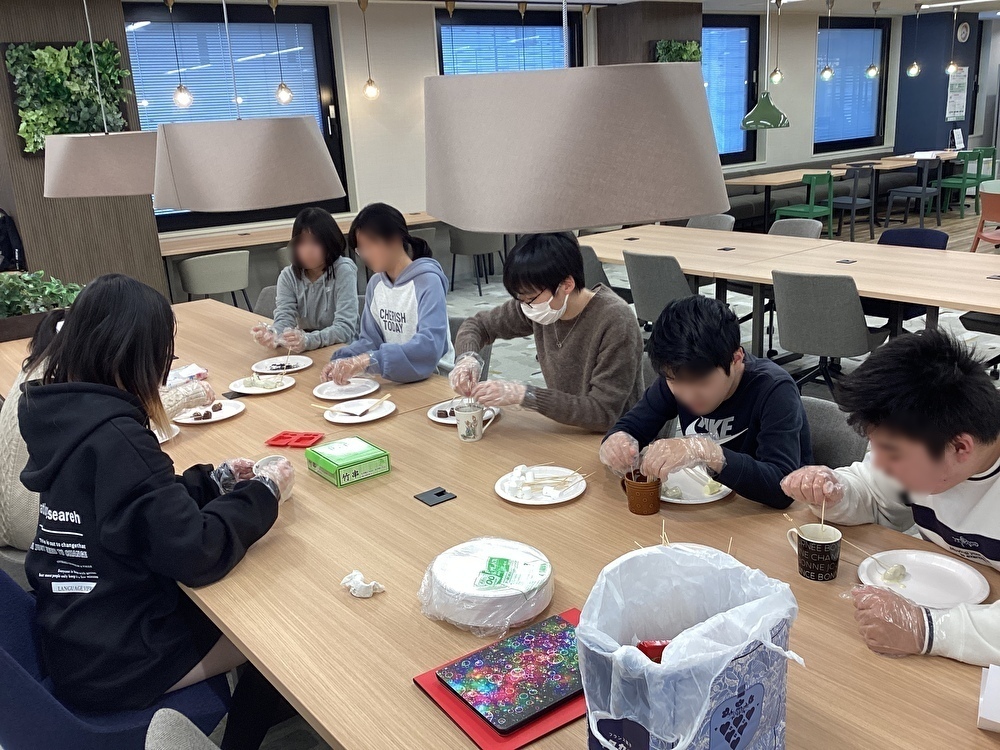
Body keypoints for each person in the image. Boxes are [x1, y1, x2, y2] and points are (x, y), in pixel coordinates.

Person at [18, 274, 295, 749]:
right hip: (119, 662)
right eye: (164, 358)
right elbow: (198, 552)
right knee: (278, 634)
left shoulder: (67, 417)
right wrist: (264, 493)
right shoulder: (118, 438)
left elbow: (134, 509)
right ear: (135, 356)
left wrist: (212, 482)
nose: (164, 376)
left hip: (75, 635)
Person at [781, 331, 1000, 667]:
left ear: (960, 447)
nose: (881, 463)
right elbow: (871, 493)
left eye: (892, 452)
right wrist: (834, 491)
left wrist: (929, 630)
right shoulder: (922, 444)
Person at [0, 311, 216, 554]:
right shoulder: (70, 378)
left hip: (14, 515)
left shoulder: (39, 372)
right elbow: (117, 420)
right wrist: (190, 393)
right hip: (43, 527)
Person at [600, 296, 811, 509]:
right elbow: (631, 427)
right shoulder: (677, 373)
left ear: (736, 358)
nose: (688, 395)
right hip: (706, 508)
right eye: (675, 382)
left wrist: (708, 452)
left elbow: (781, 488)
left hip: (758, 512)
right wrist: (617, 443)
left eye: (702, 382)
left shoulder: (774, 389)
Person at [450, 233, 644, 432]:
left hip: (616, 436)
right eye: (520, 299)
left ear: (567, 285)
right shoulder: (539, 306)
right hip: (566, 428)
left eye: (530, 298)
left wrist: (525, 395)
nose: (525, 306)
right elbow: (477, 325)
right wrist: (467, 358)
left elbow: (602, 413)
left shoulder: (615, 320)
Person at [321, 203, 453, 384]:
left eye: (370, 245)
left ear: (395, 239)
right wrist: (343, 358)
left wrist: (368, 360)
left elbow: (429, 346)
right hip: (395, 377)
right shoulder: (376, 284)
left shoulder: (428, 282)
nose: (365, 255)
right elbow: (370, 341)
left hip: (434, 378)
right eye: (361, 249)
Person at [251, 207, 359, 352]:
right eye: (302, 243)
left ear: (329, 242)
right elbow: (285, 318)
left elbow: (345, 328)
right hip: (308, 350)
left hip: (342, 349)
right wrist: (273, 334)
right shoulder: (288, 276)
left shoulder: (343, 270)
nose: (308, 250)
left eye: (316, 242)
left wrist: (308, 340)